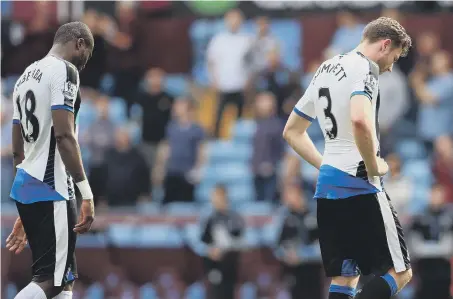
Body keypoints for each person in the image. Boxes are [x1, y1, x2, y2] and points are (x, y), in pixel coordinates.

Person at [283, 17, 413, 299]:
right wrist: (372, 163)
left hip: (327, 187)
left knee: (345, 278)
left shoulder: (325, 67)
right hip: (360, 183)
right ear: (385, 44)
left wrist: (325, 166)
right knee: (401, 273)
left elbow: (292, 131)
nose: (391, 66)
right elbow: (359, 119)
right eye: (394, 57)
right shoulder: (366, 69)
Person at [5, 22, 95, 299]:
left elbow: (17, 149)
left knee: (63, 281)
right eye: (87, 54)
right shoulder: (64, 70)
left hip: (28, 183)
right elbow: (64, 136)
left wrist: (26, 207)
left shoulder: (25, 77)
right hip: (53, 183)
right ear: (79, 43)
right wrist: (86, 194)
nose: (84, 63)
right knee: (51, 280)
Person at [273, 184, 321, 299]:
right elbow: (276, 246)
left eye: (290, 195)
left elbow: (326, 245)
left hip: (313, 268)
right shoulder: (283, 217)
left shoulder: (316, 214)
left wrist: (303, 255)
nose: (287, 200)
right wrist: (286, 254)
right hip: (292, 270)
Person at [200, 184, 245, 299]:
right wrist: (210, 251)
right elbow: (201, 242)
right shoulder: (209, 218)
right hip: (212, 265)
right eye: (214, 197)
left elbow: (241, 241)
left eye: (219, 197)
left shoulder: (235, 218)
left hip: (230, 265)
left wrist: (225, 249)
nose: (216, 200)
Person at [409, 184, 453, 299]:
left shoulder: (449, 218)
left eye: (438, 194)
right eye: (433, 194)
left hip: (443, 273)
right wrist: (438, 249)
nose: (435, 197)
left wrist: (426, 248)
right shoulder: (418, 218)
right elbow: (415, 249)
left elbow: (448, 249)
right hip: (424, 273)